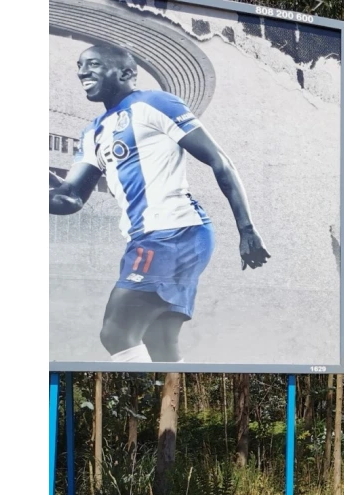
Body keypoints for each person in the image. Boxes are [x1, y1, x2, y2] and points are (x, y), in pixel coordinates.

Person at [49, 43, 270, 362]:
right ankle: (172, 408)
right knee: (160, 341)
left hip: (173, 232)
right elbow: (69, 198)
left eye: (93, 64)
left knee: (115, 331)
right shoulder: (92, 133)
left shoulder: (154, 103)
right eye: (80, 66)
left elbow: (220, 161)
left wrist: (246, 229)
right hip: (149, 238)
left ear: (126, 73)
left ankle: (147, 408)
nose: (83, 71)